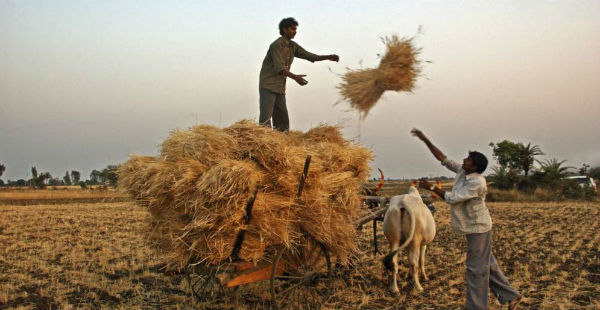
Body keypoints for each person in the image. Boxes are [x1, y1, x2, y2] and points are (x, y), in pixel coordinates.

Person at [411, 128, 522, 310]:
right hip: (472, 226)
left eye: (468, 160)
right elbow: (444, 160)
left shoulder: (477, 182)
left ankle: (476, 306)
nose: (464, 160)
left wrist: (431, 188)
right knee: (486, 262)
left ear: (475, 167)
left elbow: (453, 198)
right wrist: (425, 140)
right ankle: (511, 296)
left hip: (478, 227)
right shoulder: (463, 172)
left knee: (475, 268)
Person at [258, 17, 339, 131]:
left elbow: (309, 56)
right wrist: (296, 77)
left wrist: (328, 57)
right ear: (284, 30)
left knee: (282, 120)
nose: (295, 31)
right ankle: (263, 143)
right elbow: (280, 68)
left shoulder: (293, 46)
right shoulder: (277, 45)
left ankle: (283, 144)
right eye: (292, 29)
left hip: (280, 87)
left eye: (295, 29)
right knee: (265, 119)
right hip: (268, 85)